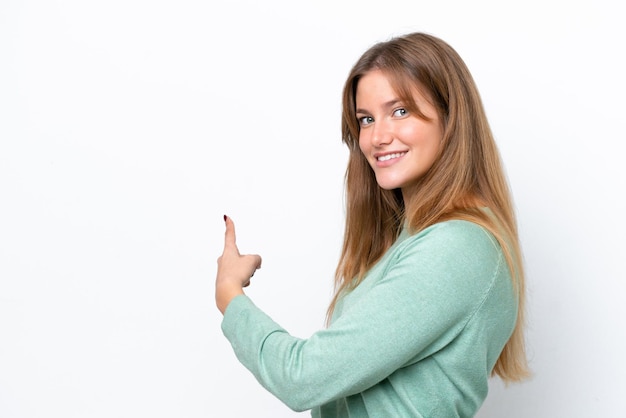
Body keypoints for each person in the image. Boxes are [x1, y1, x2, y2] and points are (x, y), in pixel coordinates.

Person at [215, 32, 530, 417]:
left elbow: (304, 378)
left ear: (451, 117)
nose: (377, 137)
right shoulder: (416, 240)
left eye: (400, 111)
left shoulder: (458, 246)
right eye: (366, 119)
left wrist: (230, 295)